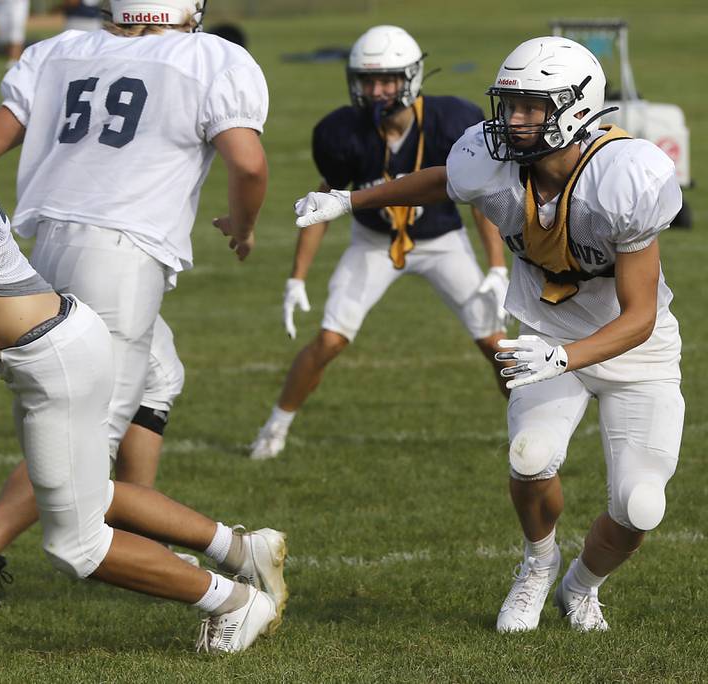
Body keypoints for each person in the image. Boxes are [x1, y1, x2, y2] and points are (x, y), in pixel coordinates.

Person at [290, 36, 684, 632]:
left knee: (640, 504)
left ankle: (581, 587)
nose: (513, 120)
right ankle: (537, 562)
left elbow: (639, 317)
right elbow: (442, 180)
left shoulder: (624, 176)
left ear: (577, 108)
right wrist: (350, 201)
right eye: (509, 104)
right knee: (529, 459)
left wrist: (567, 357)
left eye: (532, 107)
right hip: (545, 330)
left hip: (632, 348)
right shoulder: (491, 158)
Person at [0, 68, 285, 655]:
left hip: (56, 358)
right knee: (86, 490)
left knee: (75, 544)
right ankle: (240, 551)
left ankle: (236, 601)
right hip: (53, 350)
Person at [250, 25, 509, 460]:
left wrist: (497, 266)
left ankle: (530, 427)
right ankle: (275, 427)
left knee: (495, 344)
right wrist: (297, 278)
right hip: (372, 242)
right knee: (330, 339)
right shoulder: (341, 133)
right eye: (368, 80)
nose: (376, 90)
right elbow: (323, 205)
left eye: (387, 80)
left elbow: (481, 199)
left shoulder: (452, 122)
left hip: (442, 239)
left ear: (411, 78)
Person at [0, 0, 30, 68]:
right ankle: (9, 56)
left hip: (17, 2)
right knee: (4, 34)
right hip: (1, 3)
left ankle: (14, 59)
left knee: (16, 28)